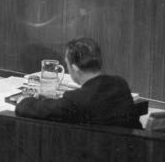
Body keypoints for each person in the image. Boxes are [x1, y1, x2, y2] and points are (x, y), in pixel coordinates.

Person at [14, 37, 142, 129]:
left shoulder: (77, 99)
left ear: (74, 69)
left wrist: (24, 100)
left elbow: (32, 109)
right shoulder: (120, 84)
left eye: (67, 64)